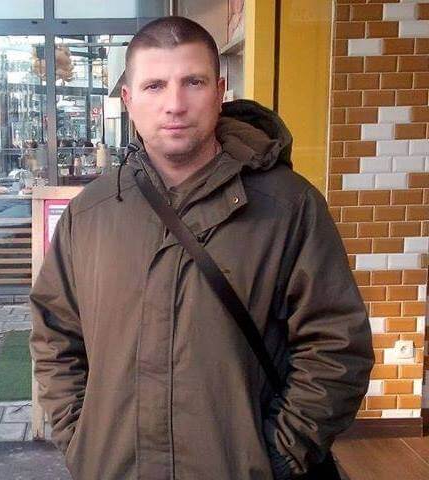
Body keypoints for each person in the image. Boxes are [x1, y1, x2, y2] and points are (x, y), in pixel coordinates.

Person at [29, 16, 374, 480]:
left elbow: (336, 346)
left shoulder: (288, 207)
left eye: (193, 82)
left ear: (220, 91)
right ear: (128, 100)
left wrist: (279, 455)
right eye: (154, 85)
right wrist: (81, 439)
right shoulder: (90, 214)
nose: (174, 104)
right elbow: (55, 337)